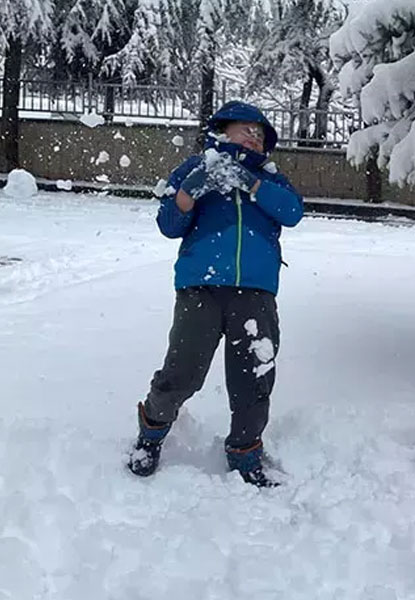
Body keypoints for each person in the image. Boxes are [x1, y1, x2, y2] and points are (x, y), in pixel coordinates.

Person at [127, 101, 304, 488]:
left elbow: (292, 212)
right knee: (183, 371)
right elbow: (169, 225)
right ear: (222, 132)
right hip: (200, 287)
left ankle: (245, 451)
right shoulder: (194, 168)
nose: (254, 139)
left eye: (260, 135)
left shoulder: (269, 177)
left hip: (255, 292)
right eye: (247, 130)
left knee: (253, 377)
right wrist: (190, 192)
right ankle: (151, 433)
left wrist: (251, 182)